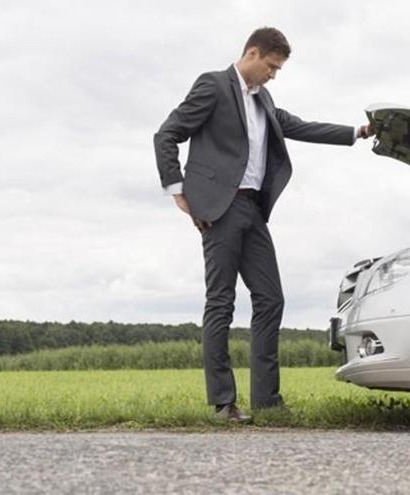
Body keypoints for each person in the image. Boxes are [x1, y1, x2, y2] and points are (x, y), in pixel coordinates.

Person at [153, 27, 374, 422]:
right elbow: (167, 134)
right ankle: (223, 403)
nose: (273, 75)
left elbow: (299, 126)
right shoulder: (213, 86)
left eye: (277, 69)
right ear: (252, 53)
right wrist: (177, 189)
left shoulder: (264, 99)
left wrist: (356, 132)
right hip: (220, 208)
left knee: (271, 299)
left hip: (253, 210)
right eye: (271, 67)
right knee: (221, 301)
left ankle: (267, 401)